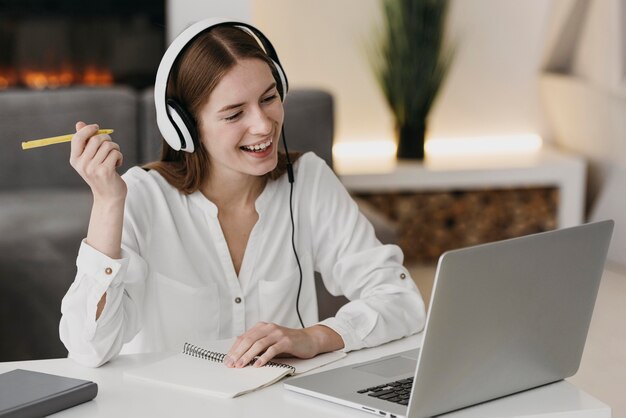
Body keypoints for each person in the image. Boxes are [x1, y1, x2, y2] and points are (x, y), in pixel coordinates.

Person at [59, 18, 425, 368]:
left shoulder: (308, 180)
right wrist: (108, 202)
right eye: (234, 114)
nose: (263, 125)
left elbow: (401, 300)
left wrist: (316, 337)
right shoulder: (143, 197)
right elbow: (89, 348)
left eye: (268, 98)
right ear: (184, 127)